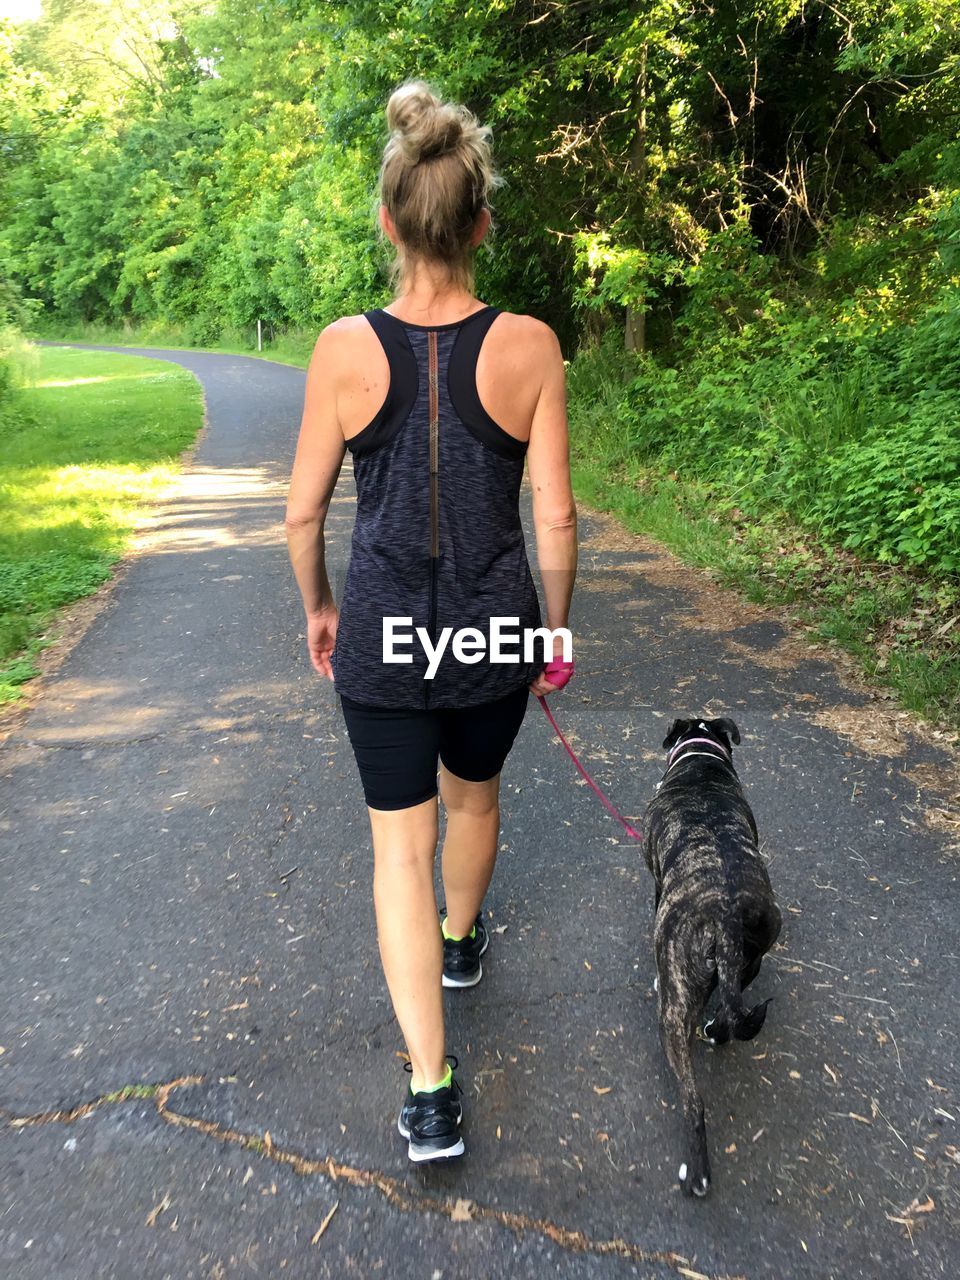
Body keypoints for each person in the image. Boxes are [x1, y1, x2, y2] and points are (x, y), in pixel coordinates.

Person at [284, 78, 577, 1163]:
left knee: (397, 850)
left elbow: (304, 508)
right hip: (497, 628)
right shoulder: (533, 344)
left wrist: (322, 604)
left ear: (388, 221)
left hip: (384, 636)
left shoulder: (341, 348)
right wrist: (554, 630)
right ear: (483, 224)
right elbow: (554, 509)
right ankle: (462, 941)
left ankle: (432, 1087)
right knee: (477, 796)